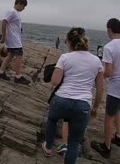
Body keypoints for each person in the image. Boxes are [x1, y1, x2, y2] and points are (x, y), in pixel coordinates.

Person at [42, 27, 104, 164]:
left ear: (69, 42)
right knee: (74, 143)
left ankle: (48, 147)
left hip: (61, 100)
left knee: (52, 120)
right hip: (83, 105)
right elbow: (100, 89)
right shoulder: (96, 61)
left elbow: (54, 82)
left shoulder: (65, 57)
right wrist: (95, 108)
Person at [92, 18, 120, 158]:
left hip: (118, 85)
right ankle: (119, 137)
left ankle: (106, 147)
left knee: (108, 116)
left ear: (109, 29)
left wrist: (98, 78)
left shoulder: (109, 47)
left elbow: (109, 71)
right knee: (118, 109)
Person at [0, 0, 30, 85]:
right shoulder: (12, 11)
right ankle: (18, 77)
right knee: (19, 55)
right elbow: (4, 22)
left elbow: (13, 24)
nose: (24, 8)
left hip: (15, 38)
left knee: (10, 55)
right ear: (19, 3)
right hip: (13, 39)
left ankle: (0, 72)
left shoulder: (16, 12)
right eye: (23, 6)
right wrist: (3, 36)